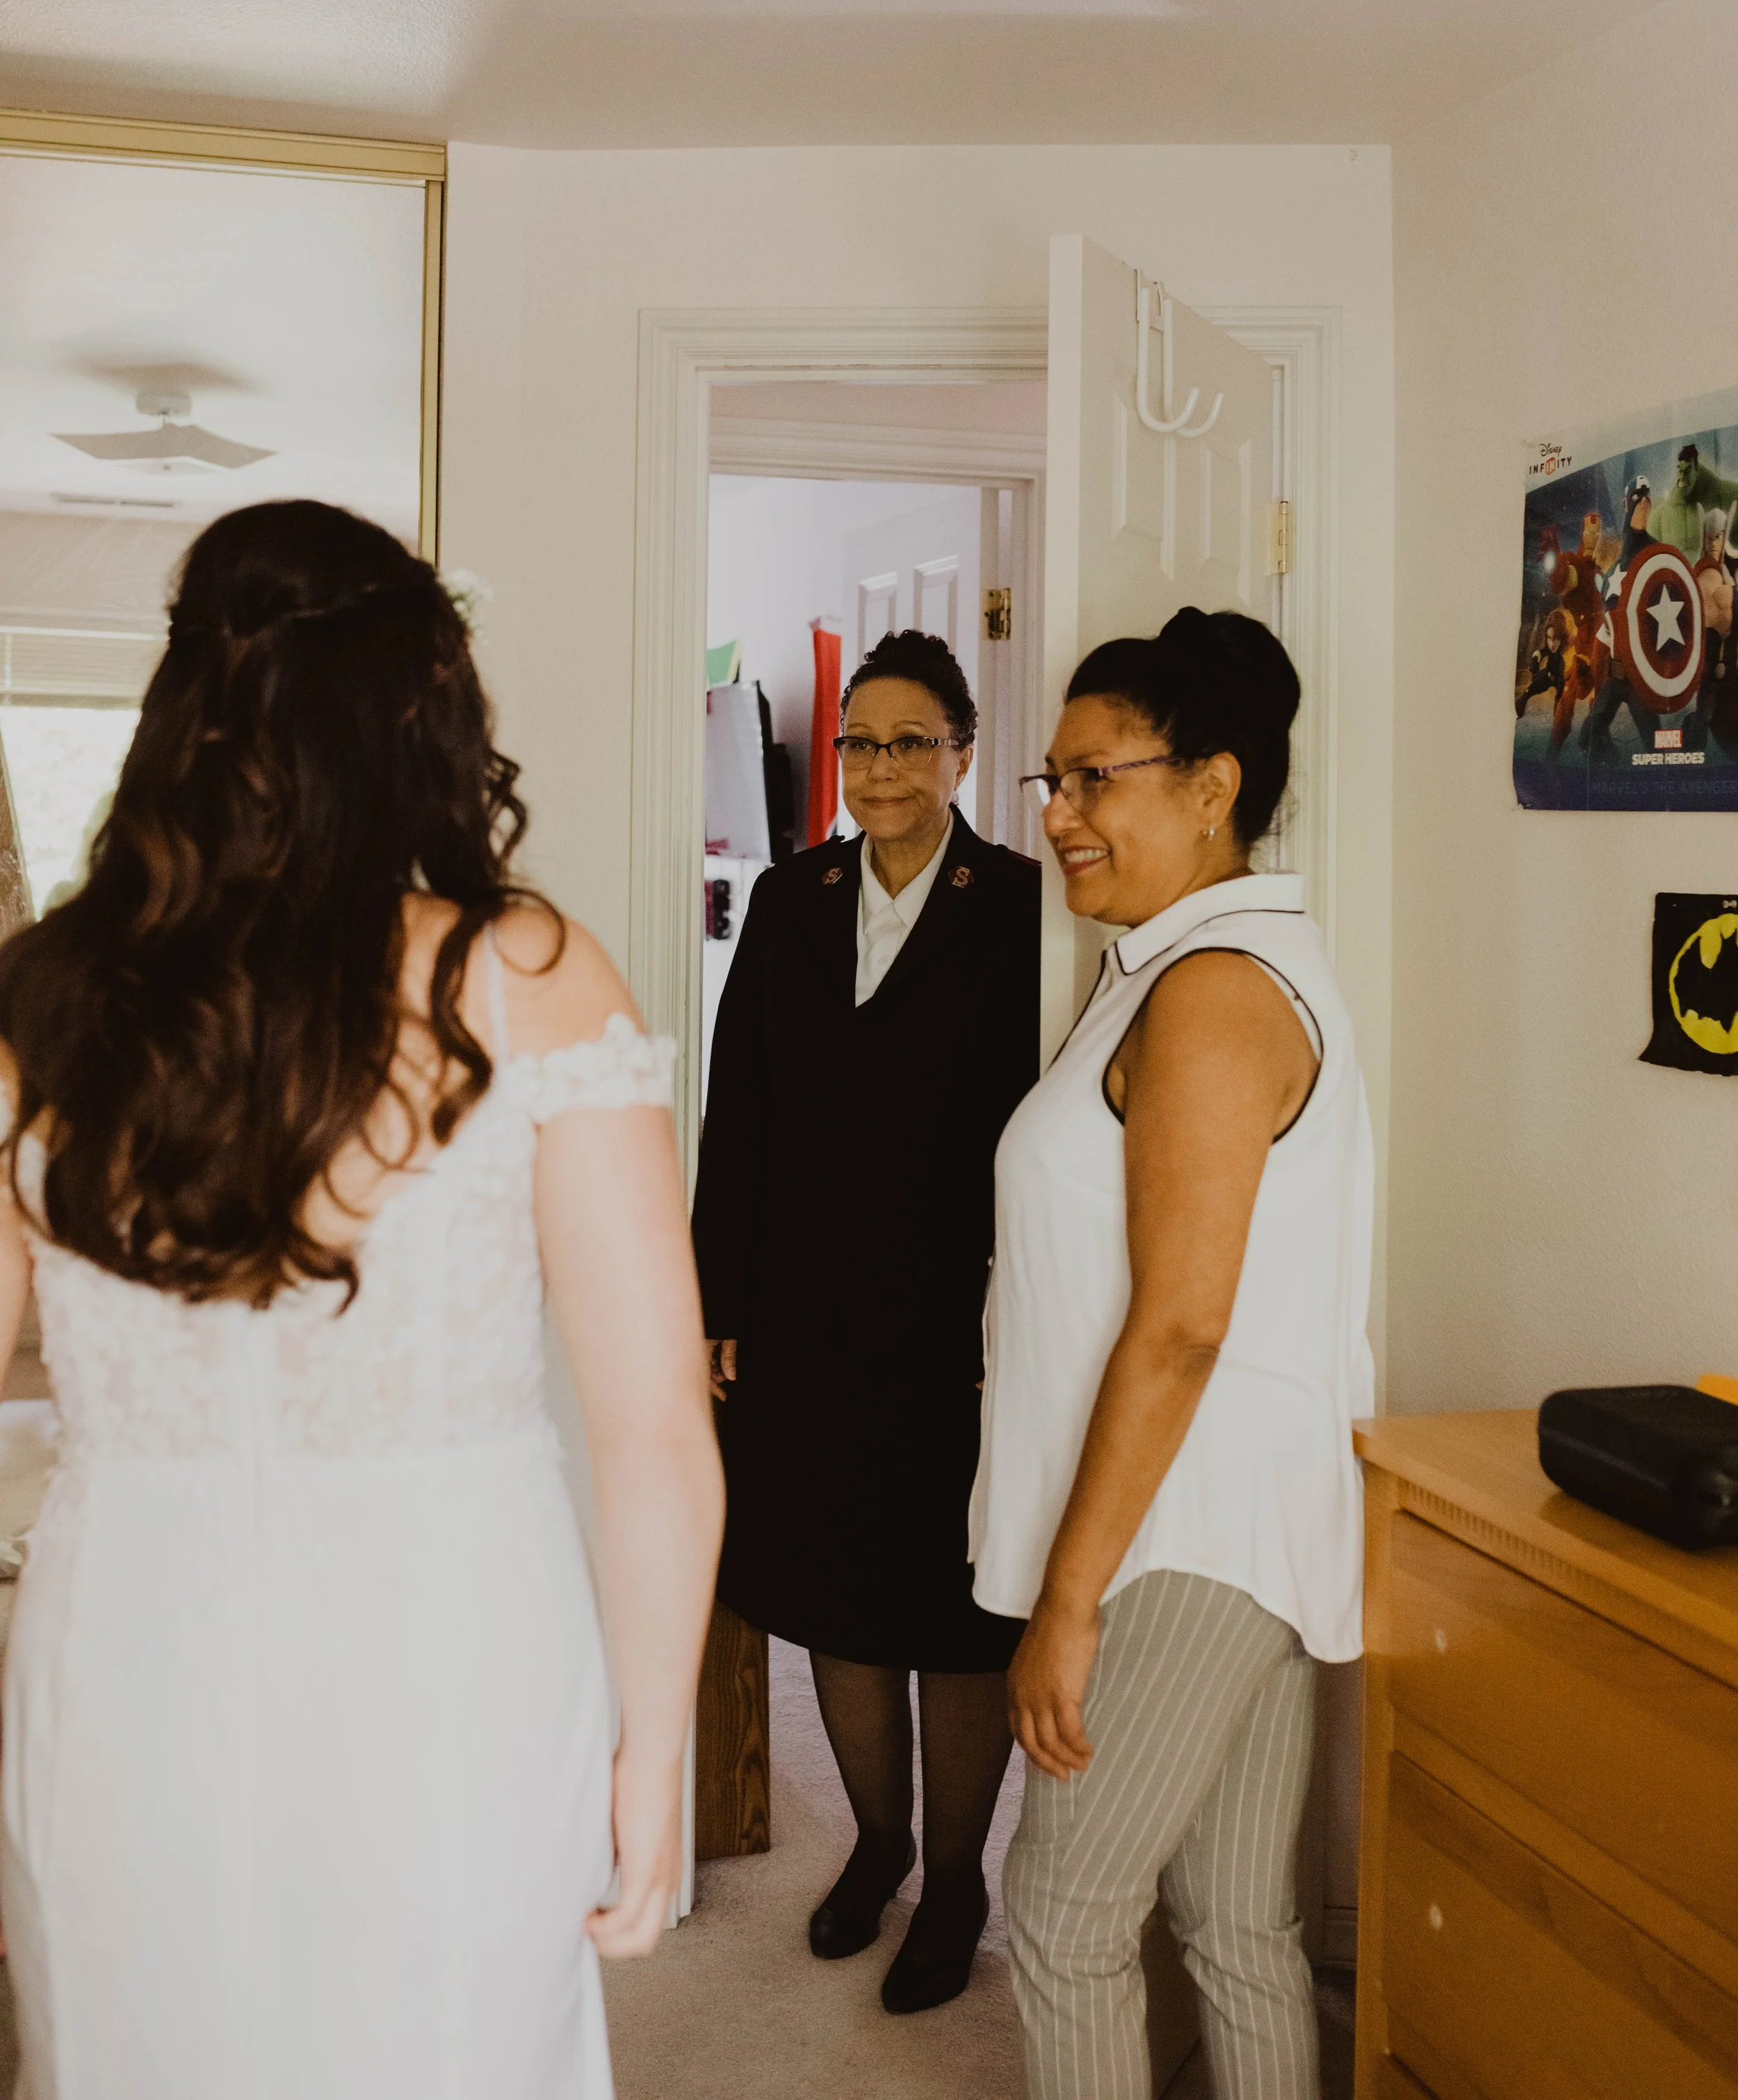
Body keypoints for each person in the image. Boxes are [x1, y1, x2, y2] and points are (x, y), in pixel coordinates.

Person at [0, 499, 723, 2100]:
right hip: (445, 1658)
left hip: (124, 1656)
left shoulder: (46, 1000)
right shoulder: (525, 974)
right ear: (423, 714)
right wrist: (651, 1745)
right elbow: (653, 1426)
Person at [971, 606, 1373, 2100]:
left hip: (1181, 1533)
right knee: (1237, 1926)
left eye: (1094, 780)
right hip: (1235, 1518)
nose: (1059, 817)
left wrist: (1067, 1601)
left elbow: (1182, 1319)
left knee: (1065, 1917)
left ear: (1211, 786)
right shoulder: (1171, 963)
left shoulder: (1209, 992)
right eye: (1051, 784)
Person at [694, 629, 1039, 2014]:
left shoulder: (1022, 905)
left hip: (959, 1332)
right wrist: (719, 1301)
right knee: (834, 1596)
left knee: (952, 1616)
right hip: (802, 1319)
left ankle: (954, 1880)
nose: (879, 770)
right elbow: (741, 1116)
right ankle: (878, 1849)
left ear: (961, 752)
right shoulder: (789, 899)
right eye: (858, 745)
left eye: (909, 743)